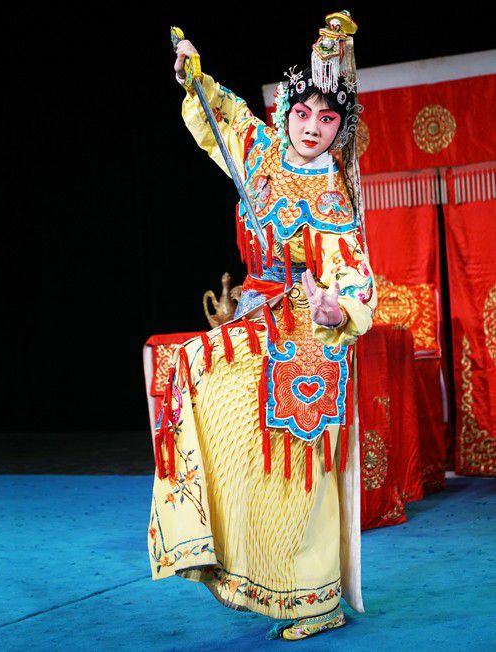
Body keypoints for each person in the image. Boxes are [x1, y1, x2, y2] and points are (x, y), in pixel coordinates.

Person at [148, 12, 377, 641]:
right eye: (303, 113)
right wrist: (192, 74)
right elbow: (219, 113)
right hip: (256, 314)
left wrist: (336, 308)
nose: (312, 127)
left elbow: (357, 276)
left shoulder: (332, 195)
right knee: (195, 371)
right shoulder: (260, 151)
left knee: (296, 470)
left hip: (309, 336)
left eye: (327, 119)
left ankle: (315, 599)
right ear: (287, 112)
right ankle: (218, 550)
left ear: (340, 129)